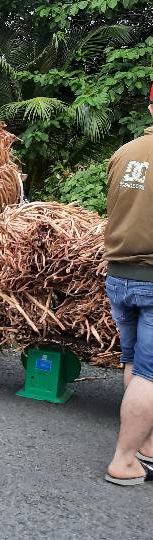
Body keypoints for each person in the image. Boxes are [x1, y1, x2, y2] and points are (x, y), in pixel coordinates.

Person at [102, 84, 153, 485]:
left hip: (119, 274)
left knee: (135, 363)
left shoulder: (124, 153)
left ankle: (146, 446)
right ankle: (125, 459)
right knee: (150, 374)